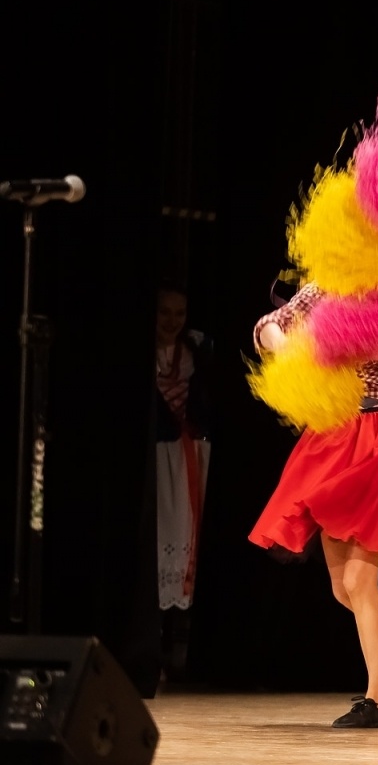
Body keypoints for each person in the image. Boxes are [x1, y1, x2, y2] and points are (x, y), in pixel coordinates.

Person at [248, 281, 378, 728]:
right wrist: (293, 348)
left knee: (359, 579)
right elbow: (269, 326)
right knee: (343, 587)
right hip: (332, 434)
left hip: (376, 433)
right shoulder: (324, 289)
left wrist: (374, 348)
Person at [155, 285, 213, 675]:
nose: (172, 321)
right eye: (165, 313)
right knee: (161, 528)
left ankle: (179, 635)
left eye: (179, 313)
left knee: (188, 530)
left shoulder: (195, 352)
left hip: (189, 451)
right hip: (160, 451)